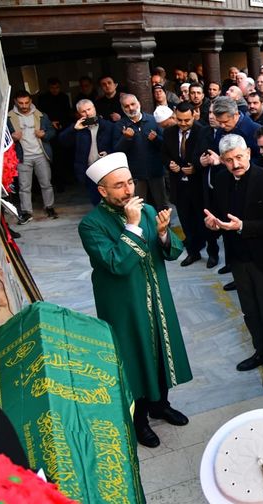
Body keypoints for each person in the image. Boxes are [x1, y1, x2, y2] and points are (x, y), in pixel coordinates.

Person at [78, 152, 192, 448]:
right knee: (134, 358)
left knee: (159, 349)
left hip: (156, 296)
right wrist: (132, 226)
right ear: (102, 191)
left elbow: (173, 252)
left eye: (129, 182)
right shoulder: (91, 225)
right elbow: (117, 263)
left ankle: (161, 405)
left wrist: (165, 234)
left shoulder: (150, 210)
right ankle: (139, 420)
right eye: (119, 186)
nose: (129, 190)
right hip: (124, 305)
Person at [203, 134, 263, 390]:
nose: (235, 164)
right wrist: (213, 223)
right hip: (238, 258)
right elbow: (218, 214)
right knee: (249, 311)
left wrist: (243, 227)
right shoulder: (220, 179)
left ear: (249, 153)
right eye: (228, 160)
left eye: (239, 157)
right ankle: (259, 352)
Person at [160, 102, 211, 267]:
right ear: (175, 115)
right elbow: (164, 154)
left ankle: (213, 253)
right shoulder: (168, 132)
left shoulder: (202, 131)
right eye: (180, 120)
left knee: (204, 222)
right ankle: (193, 252)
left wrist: (195, 167)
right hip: (178, 185)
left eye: (187, 120)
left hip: (197, 185)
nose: (183, 124)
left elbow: (206, 152)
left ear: (194, 116)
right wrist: (170, 164)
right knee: (186, 222)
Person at [7, 90, 57, 224]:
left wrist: (44, 135)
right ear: (15, 102)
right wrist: (12, 138)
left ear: (31, 101)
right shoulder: (9, 117)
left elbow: (52, 132)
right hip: (22, 157)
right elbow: (2, 139)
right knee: (24, 187)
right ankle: (27, 212)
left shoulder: (40, 115)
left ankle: (49, 207)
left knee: (46, 183)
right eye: (20, 103)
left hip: (41, 154)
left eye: (26, 102)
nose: (24, 106)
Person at [60, 98, 113, 206]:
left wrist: (108, 153)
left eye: (89, 109)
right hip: (89, 170)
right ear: (79, 114)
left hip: (106, 169)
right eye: (83, 111)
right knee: (95, 200)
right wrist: (74, 129)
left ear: (94, 109)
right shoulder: (78, 128)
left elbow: (116, 145)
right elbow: (62, 141)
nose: (87, 113)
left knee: (110, 199)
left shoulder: (107, 126)